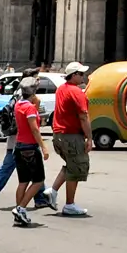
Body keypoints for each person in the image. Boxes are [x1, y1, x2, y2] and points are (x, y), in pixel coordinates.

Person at [0, 79, 50, 225]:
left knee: (23, 182)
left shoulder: (19, 104)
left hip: (19, 146)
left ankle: (19, 214)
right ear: (33, 92)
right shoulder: (29, 108)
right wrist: (43, 146)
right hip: (30, 147)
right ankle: (21, 208)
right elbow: (34, 129)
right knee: (38, 181)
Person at [46, 62, 92, 218]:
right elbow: (83, 116)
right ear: (74, 75)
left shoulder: (61, 89)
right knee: (77, 168)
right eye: (81, 74)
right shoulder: (76, 92)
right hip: (71, 136)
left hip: (59, 135)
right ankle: (69, 205)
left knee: (71, 165)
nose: (83, 76)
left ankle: (52, 191)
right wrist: (89, 138)